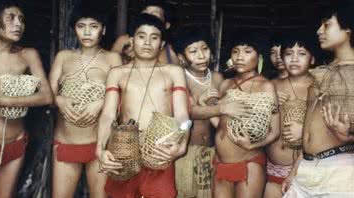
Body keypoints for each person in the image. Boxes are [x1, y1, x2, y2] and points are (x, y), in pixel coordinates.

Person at [97, 14, 190, 198]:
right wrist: (100, 149)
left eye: (154, 37)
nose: (147, 42)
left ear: (162, 44)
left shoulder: (173, 72)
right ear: (131, 40)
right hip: (124, 151)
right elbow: (108, 115)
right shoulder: (117, 73)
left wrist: (182, 145)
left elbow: (183, 118)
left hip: (160, 151)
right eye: (141, 36)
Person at [49, 5, 122, 198]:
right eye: (81, 26)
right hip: (66, 141)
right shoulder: (63, 57)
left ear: (103, 29)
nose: (87, 32)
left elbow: (122, 94)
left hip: (100, 143)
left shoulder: (112, 58)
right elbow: (48, 94)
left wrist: (101, 103)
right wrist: (60, 100)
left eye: (94, 26)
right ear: (75, 29)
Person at [282, 3, 354, 198]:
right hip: (306, 168)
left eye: (326, 24)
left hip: (339, 171)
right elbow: (309, 127)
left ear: (348, 28)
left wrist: (349, 138)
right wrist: (295, 169)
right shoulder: (321, 73)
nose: (319, 30)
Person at [0, 1, 52, 197]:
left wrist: (4, 100)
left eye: (21, 20)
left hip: (13, 141)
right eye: (11, 17)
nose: (18, 24)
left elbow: (46, 96)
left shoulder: (27, 55)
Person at [213, 34, 280, 198]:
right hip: (220, 162)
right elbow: (219, 120)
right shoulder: (225, 84)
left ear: (259, 57)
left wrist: (251, 146)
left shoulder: (266, 86)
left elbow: (275, 131)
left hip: (249, 162)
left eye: (247, 51)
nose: (240, 57)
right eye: (235, 51)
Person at [264, 34, 315, 198]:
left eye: (301, 53)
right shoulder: (272, 85)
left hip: (307, 168)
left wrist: (306, 131)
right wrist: (271, 103)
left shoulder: (319, 86)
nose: (294, 59)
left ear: (312, 59)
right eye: (288, 54)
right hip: (274, 168)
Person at [174, 28, 222, 197]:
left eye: (205, 49)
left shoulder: (217, 78)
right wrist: (202, 101)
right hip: (186, 151)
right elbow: (188, 112)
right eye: (193, 51)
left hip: (211, 150)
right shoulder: (179, 77)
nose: (201, 56)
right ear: (181, 58)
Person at [111, 0, 179, 65]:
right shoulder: (124, 40)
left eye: (154, 15)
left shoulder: (170, 51)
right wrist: (125, 58)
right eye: (145, 13)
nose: (147, 18)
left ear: (166, 25)